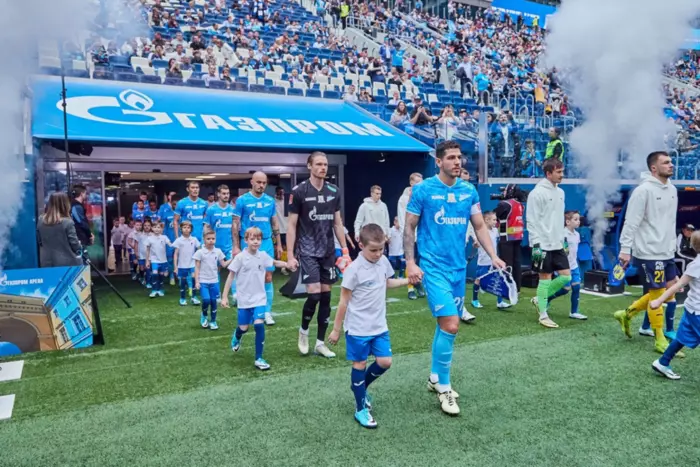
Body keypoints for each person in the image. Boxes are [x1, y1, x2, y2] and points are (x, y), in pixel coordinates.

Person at [404, 140, 505, 416]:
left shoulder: (468, 190)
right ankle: (445, 388)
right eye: (451, 157)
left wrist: (493, 255)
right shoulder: (423, 190)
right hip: (433, 268)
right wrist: (411, 263)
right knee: (451, 324)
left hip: (458, 269)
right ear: (438, 162)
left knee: (447, 325)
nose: (457, 162)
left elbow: (480, 226)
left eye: (459, 157)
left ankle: (435, 377)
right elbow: (409, 228)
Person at [328, 223, 409, 429]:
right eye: (373, 250)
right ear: (361, 245)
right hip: (358, 328)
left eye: (381, 249)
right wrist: (336, 330)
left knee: (385, 362)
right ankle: (360, 408)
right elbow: (343, 301)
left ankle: (360, 387)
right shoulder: (353, 270)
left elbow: (387, 282)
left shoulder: (383, 262)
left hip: (379, 326)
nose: (378, 254)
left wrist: (408, 280)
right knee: (360, 364)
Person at [614, 151, 681, 353]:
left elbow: (669, 222)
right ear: (654, 168)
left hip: (667, 251)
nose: (671, 165)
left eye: (671, 162)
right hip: (648, 252)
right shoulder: (643, 191)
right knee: (657, 294)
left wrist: (672, 246)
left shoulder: (672, 189)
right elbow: (631, 222)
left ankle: (627, 313)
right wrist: (625, 249)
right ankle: (660, 339)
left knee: (669, 292)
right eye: (666, 162)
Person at [287, 152, 350, 358]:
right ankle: (304, 331)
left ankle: (320, 343)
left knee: (325, 296)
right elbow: (291, 225)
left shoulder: (334, 191)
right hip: (307, 250)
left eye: (325, 164)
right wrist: (290, 255)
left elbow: (337, 223)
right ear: (309, 166)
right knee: (313, 294)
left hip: (328, 251)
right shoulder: (299, 191)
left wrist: (345, 251)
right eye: (319, 164)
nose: (323, 168)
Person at [222, 227, 288, 371]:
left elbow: (274, 262)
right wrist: (224, 296)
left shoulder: (263, 255)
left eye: (258, 239)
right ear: (246, 240)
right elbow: (231, 276)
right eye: (252, 239)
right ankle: (237, 336)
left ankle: (259, 358)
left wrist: (287, 264)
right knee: (244, 328)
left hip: (259, 299)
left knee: (259, 325)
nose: (256, 242)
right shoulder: (240, 257)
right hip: (244, 300)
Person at [232, 172, 283, 326]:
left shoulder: (270, 201)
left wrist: (279, 244)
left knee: (268, 276)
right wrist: (235, 246)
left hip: (266, 242)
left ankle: (267, 312)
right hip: (247, 242)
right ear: (252, 182)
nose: (261, 185)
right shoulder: (242, 200)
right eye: (258, 182)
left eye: (264, 183)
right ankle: (246, 306)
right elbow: (235, 224)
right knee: (248, 275)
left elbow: (274, 223)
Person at [526, 158, 571, 329]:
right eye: (558, 172)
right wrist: (536, 245)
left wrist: (563, 241)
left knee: (566, 276)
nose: (562, 175)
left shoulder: (561, 192)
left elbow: (558, 220)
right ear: (548, 173)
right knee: (544, 279)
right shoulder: (536, 193)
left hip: (557, 244)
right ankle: (543, 315)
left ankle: (540, 299)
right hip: (540, 245)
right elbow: (531, 220)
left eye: (562, 171)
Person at [650, 230, 700, 379]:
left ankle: (663, 362)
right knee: (682, 337)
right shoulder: (696, 266)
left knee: (681, 338)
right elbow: (676, 286)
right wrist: (659, 301)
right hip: (697, 311)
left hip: (692, 310)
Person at [537, 210, 588, 320]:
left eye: (579, 219)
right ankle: (547, 299)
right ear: (568, 222)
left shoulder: (577, 234)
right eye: (575, 219)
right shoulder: (562, 234)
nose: (578, 221)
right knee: (565, 289)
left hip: (574, 266)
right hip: (563, 266)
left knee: (576, 287)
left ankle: (574, 312)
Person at [469, 211, 510, 310]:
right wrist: (475, 244)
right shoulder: (481, 232)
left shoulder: (495, 231)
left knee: (499, 279)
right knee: (478, 280)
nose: (496, 222)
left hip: (494, 261)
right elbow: (476, 243)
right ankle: (474, 300)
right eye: (494, 220)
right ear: (486, 220)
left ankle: (500, 302)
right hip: (483, 262)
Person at [193, 229, 231, 330]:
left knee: (214, 301)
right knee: (206, 300)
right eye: (208, 239)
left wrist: (233, 258)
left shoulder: (218, 251)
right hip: (203, 281)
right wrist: (197, 281)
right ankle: (204, 315)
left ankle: (213, 321)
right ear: (204, 239)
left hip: (214, 281)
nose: (211, 241)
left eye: (213, 239)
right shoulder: (200, 252)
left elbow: (223, 264)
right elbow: (197, 267)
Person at [398, 172, 426, 300]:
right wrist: (406, 235)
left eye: (421, 182)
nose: (420, 185)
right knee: (410, 261)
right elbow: (402, 219)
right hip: (409, 236)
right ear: (411, 183)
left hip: (421, 236)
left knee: (419, 262)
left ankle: (418, 283)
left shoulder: (423, 196)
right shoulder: (403, 199)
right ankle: (410, 289)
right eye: (417, 182)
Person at [493, 184, 526, 292]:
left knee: (506, 264)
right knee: (516, 264)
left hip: (506, 237)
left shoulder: (505, 204)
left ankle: (507, 287)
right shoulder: (520, 205)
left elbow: (494, 215)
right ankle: (517, 288)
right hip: (517, 237)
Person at [37, 192, 82, 267]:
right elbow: (75, 245)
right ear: (65, 204)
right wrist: (79, 245)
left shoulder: (41, 220)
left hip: (46, 263)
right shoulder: (68, 222)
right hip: (68, 265)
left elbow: (40, 241)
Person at [173, 220, 201, 307]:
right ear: (181, 229)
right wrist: (175, 267)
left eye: (188, 227)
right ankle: (182, 298)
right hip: (182, 265)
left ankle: (194, 297)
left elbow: (199, 250)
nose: (186, 229)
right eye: (184, 227)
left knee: (193, 278)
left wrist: (199, 262)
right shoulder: (179, 240)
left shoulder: (194, 239)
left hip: (192, 264)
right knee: (183, 281)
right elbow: (176, 254)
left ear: (191, 229)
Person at [204, 184, 235, 261]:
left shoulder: (233, 210)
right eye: (224, 193)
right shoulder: (211, 209)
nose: (226, 196)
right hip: (215, 245)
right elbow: (206, 227)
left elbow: (236, 228)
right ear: (218, 194)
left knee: (233, 266)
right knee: (215, 267)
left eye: (228, 193)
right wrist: (205, 243)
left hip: (229, 246)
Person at [145, 222, 173, 298]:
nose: (157, 229)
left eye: (158, 227)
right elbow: (147, 250)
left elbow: (171, 244)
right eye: (155, 227)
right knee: (154, 274)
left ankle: (160, 289)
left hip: (163, 260)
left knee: (161, 275)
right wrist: (147, 261)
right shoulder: (149, 238)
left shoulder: (164, 237)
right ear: (152, 228)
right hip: (154, 260)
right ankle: (154, 290)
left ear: (161, 229)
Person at [160, 196, 179, 285]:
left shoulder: (183, 214)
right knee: (170, 259)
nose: (175, 206)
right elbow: (163, 227)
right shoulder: (166, 213)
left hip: (180, 239)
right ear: (171, 203)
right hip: (170, 240)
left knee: (180, 259)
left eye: (177, 204)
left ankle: (180, 276)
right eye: (174, 204)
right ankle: (172, 275)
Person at [70, 185, 93, 249]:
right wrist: (89, 234)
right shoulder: (76, 206)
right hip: (79, 237)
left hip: (79, 237)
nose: (86, 195)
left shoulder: (75, 205)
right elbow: (81, 222)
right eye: (85, 193)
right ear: (81, 194)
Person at [274, 186, 289, 274]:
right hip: (277, 230)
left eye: (282, 193)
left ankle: (284, 267)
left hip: (286, 229)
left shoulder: (287, 202)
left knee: (286, 248)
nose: (281, 195)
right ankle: (279, 265)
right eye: (279, 193)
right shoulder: (273, 202)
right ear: (276, 193)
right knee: (278, 248)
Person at [138, 219, 154, 288]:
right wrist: (136, 253)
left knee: (148, 269)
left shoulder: (153, 235)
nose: (147, 227)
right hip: (141, 255)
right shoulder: (140, 234)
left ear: (151, 226)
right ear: (143, 226)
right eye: (145, 225)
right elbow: (136, 244)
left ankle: (148, 282)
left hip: (150, 255)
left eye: (148, 225)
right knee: (142, 268)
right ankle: (142, 277)